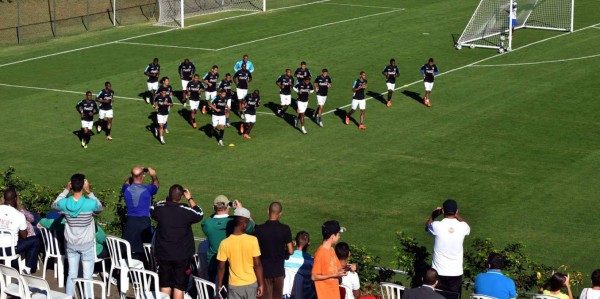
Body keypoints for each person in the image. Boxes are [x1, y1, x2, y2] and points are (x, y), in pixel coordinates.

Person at [51, 174, 103, 296]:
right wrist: (89, 192)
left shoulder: (64, 203)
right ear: (83, 185)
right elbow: (99, 208)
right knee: (87, 276)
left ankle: (69, 296)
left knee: (71, 274)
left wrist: (66, 190)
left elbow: (54, 205)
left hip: (71, 244)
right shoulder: (89, 204)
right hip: (86, 244)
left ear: (71, 185)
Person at [151, 184, 203, 299]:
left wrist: (167, 199)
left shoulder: (160, 210)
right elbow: (199, 213)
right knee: (179, 286)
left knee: (165, 284)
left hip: (163, 253)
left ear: (169, 196)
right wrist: (190, 198)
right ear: (181, 197)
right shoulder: (186, 211)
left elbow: (153, 207)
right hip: (181, 255)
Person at [201, 195, 255, 283]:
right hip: (231, 262)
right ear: (228, 206)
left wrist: (216, 211)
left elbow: (211, 219)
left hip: (213, 263)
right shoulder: (234, 223)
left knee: (212, 288)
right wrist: (241, 210)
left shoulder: (207, 224)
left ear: (214, 207)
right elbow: (251, 224)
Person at [216, 207, 264, 299]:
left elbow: (221, 267)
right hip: (251, 284)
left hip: (234, 286)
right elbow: (257, 264)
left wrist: (219, 285)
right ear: (244, 225)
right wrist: (261, 284)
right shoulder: (253, 240)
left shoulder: (225, 243)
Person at [425, 199, 470, 294]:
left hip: (438, 272)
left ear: (443, 211)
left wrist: (433, 215)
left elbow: (427, 227)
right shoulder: (463, 227)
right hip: (455, 273)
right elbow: (467, 226)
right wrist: (456, 215)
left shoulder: (437, 225)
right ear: (456, 211)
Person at [254, 202, 293, 299]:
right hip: (279, 271)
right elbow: (291, 250)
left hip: (264, 271)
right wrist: (285, 254)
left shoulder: (260, 229)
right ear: (280, 213)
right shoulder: (285, 229)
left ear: (268, 211)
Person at [0, 188, 41, 274]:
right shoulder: (19, 215)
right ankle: (27, 268)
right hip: (9, 250)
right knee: (35, 240)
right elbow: (24, 236)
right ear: (15, 199)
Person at [122, 166, 159, 260]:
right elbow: (156, 184)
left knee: (130, 248)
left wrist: (134, 174)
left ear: (131, 176)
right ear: (143, 176)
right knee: (146, 249)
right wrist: (153, 175)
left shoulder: (126, 189)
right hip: (144, 223)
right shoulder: (148, 189)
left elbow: (126, 182)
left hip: (130, 223)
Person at [312, 220, 347, 299]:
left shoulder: (331, 250)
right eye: (338, 234)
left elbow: (338, 269)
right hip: (325, 296)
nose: (339, 236)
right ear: (332, 236)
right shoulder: (320, 253)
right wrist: (334, 275)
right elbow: (314, 276)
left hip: (334, 294)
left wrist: (348, 268)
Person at [283, 231, 315, 299]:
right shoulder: (311, 261)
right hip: (305, 295)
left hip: (286, 294)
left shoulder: (286, 258)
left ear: (295, 242)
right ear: (308, 244)